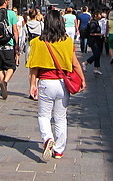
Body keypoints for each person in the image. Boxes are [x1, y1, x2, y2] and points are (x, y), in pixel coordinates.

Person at [26, 10, 86, 161]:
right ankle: (59, 150)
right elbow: (75, 64)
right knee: (61, 118)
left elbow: (34, 67)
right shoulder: (67, 42)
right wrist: (83, 79)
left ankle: (47, 138)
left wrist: (33, 84)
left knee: (44, 116)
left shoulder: (37, 42)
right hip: (62, 84)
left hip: (46, 83)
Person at [23, 8, 44, 99]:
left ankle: (32, 89)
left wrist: (19, 49)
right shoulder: (41, 24)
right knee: (39, 70)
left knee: (31, 71)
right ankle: (38, 91)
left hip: (29, 48)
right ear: (36, 16)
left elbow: (22, 39)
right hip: (39, 48)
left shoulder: (25, 26)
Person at [84, 10, 105, 75]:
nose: (100, 16)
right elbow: (91, 33)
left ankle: (96, 68)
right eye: (99, 14)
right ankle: (85, 63)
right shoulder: (93, 23)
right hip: (93, 41)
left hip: (96, 40)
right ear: (96, 15)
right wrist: (100, 34)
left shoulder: (96, 22)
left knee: (98, 54)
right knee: (96, 54)